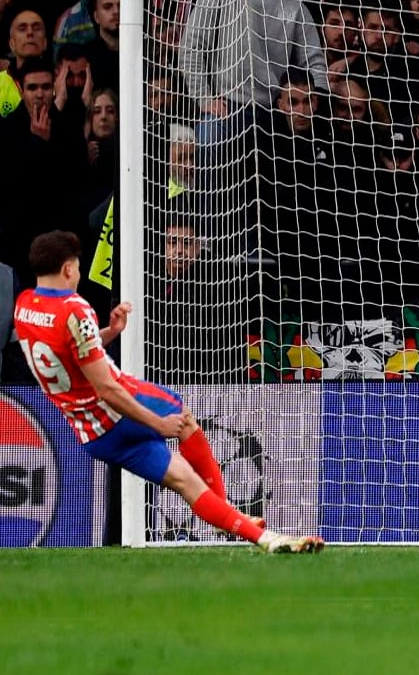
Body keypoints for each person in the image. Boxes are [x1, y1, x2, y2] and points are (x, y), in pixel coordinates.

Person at [13, 230, 324, 553]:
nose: (77, 274)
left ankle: (265, 539)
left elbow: (68, 356)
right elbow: (106, 387)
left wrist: (110, 332)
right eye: (77, 267)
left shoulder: (24, 307)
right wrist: (156, 424)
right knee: (181, 416)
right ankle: (237, 514)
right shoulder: (74, 308)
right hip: (117, 408)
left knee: (185, 482)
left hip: (93, 434)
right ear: (68, 269)